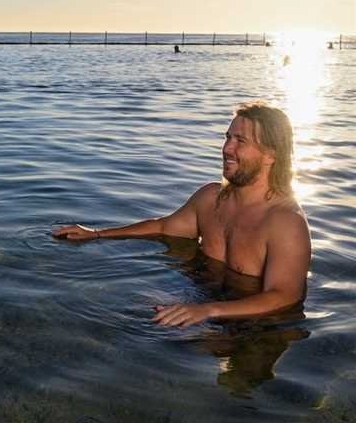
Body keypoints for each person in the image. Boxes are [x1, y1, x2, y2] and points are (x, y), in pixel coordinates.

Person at [53, 101, 310, 327]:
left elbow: (284, 296)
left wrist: (207, 311)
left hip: (252, 325)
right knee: (103, 301)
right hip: (201, 299)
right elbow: (163, 227)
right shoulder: (211, 198)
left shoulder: (284, 222)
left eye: (240, 141)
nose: (226, 149)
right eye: (227, 137)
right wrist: (97, 234)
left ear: (271, 155)